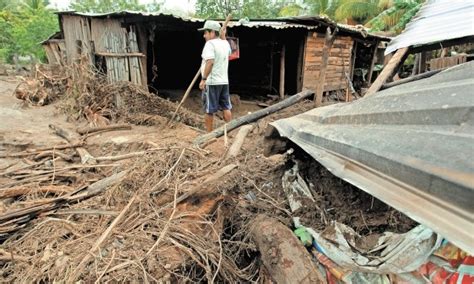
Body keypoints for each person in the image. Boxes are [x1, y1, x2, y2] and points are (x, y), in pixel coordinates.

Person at [198, 20, 232, 132]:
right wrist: (223, 36)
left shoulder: (210, 44)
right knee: (226, 107)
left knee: (209, 110)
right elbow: (229, 54)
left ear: (212, 32)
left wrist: (204, 79)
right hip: (224, 81)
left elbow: (210, 62)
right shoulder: (225, 43)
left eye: (205, 33)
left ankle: (209, 134)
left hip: (212, 82)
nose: (204, 36)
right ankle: (230, 131)